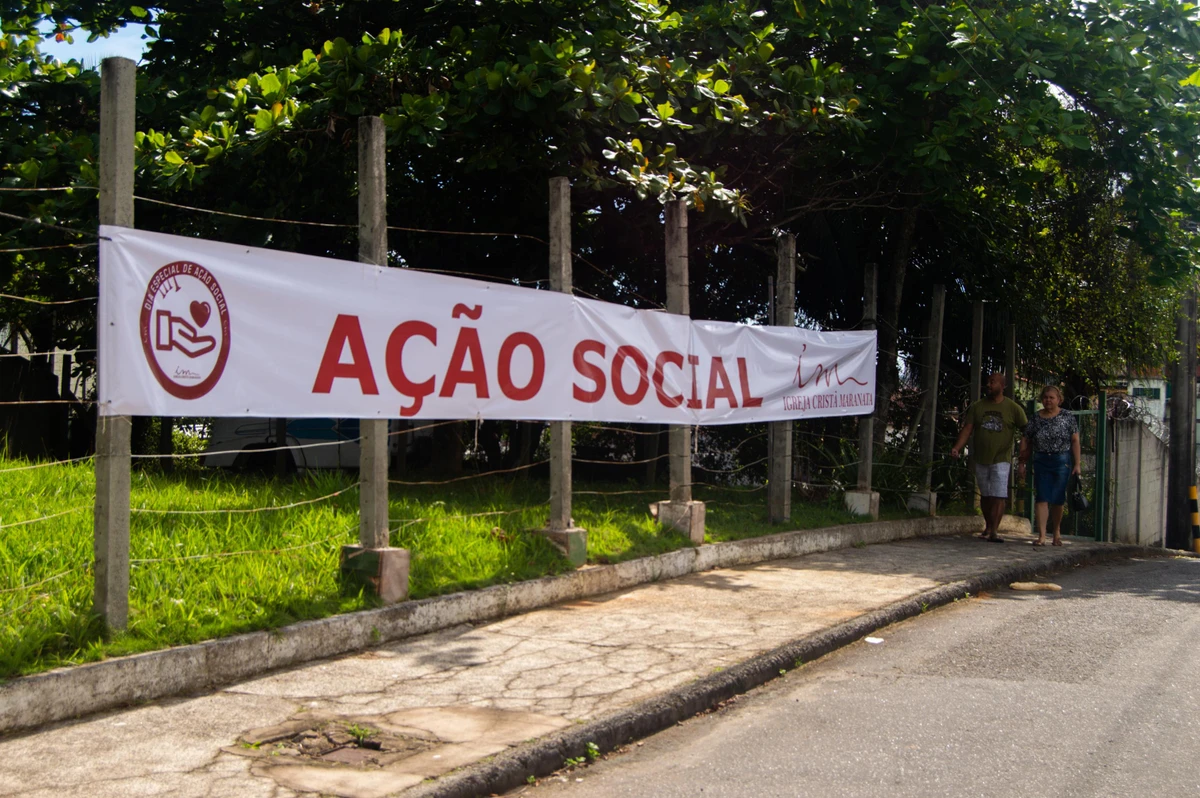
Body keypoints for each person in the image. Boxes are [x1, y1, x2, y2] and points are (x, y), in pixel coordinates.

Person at [950, 372, 1027, 542]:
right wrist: (956, 447)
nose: (989, 385)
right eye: (988, 382)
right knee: (986, 494)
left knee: (999, 494)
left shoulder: (1013, 408)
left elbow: (1026, 431)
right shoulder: (978, 406)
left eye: (993, 382)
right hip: (981, 457)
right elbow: (968, 429)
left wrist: (1023, 457)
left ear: (1002, 386)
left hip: (1002, 457)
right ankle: (988, 524)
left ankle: (994, 531)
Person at [1017, 385, 1081, 547]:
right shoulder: (1036, 418)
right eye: (1045, 397)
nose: (1048, 400)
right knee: (1042, 496)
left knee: (1058, 498)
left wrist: (1077, 463)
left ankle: (1057, 532)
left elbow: (1075, 440)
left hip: (1061, 460)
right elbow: (1026, 438)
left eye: (1052, 397)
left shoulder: (1067, 416)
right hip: (1041, 459)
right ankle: (1042, 535)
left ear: (1059, 399)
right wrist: (1022, 462)